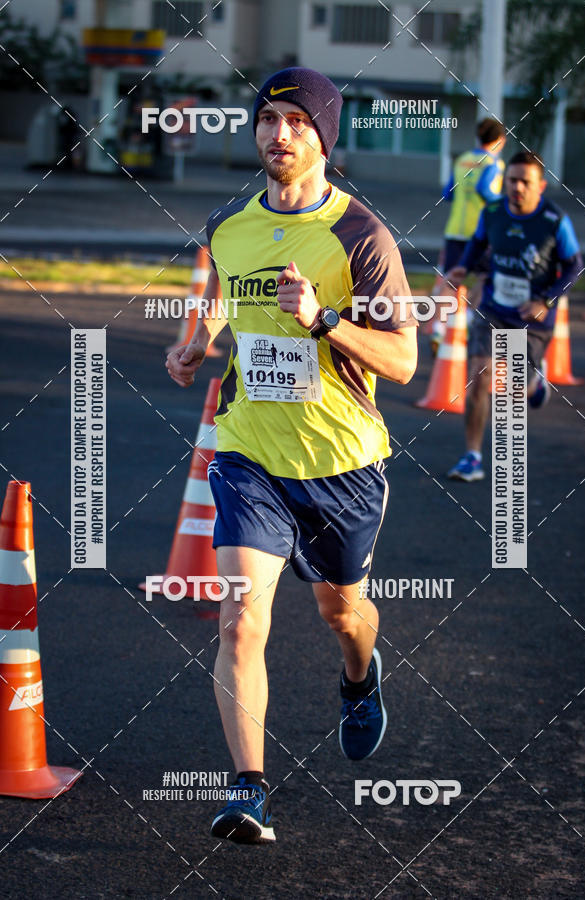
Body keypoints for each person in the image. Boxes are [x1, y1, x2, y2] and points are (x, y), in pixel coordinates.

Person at [165, 66, 418, 843]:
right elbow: (221, 287)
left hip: (342, 461)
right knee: (241, 616)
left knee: (342, 614)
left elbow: (405, 361)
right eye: (269, 119)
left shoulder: (362, 237)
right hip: (249, 453)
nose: (279, 134)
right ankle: (250, 789)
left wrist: (324, 319)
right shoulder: (231, 221)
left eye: (298, 123)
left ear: (323, 138)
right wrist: (198, 341)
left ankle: (359, 676)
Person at [446, 150, 583, 482]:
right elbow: (477, 244)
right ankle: (472, 457)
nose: (517, 187)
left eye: (525, 182)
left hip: (532, 317)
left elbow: (575, 267)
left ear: (541, 186)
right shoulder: (492, 212)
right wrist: (465, 265)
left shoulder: (554, 220)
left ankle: (536, 383)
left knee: (514, 387)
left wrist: (546, 301)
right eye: (512, 180)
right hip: (493, 305)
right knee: (479, 378)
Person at [430, 119, 506, 354]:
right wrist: (504, 203)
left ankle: (438, 329)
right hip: (480, 232)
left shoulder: (462, 159)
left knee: (451, 279)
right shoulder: (494, 163)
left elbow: (447, 193)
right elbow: (485, 189)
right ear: (499, 141)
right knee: (484, 277)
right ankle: (471, 321)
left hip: (455, 229)